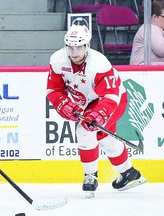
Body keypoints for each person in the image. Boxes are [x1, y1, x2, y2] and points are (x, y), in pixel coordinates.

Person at [46, 24, 147, 198]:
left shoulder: (99, 63)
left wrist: (98, 115)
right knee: (103, 135)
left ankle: (90, 177)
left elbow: (110, 96)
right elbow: (53, 90)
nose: (74, 52)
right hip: (89, 102)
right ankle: (128, 172)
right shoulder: (57, 60)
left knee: (84, 130)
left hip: (113, 100)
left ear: (87, 46)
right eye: (70, 47)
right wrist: (63, 104)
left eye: (78, 47)